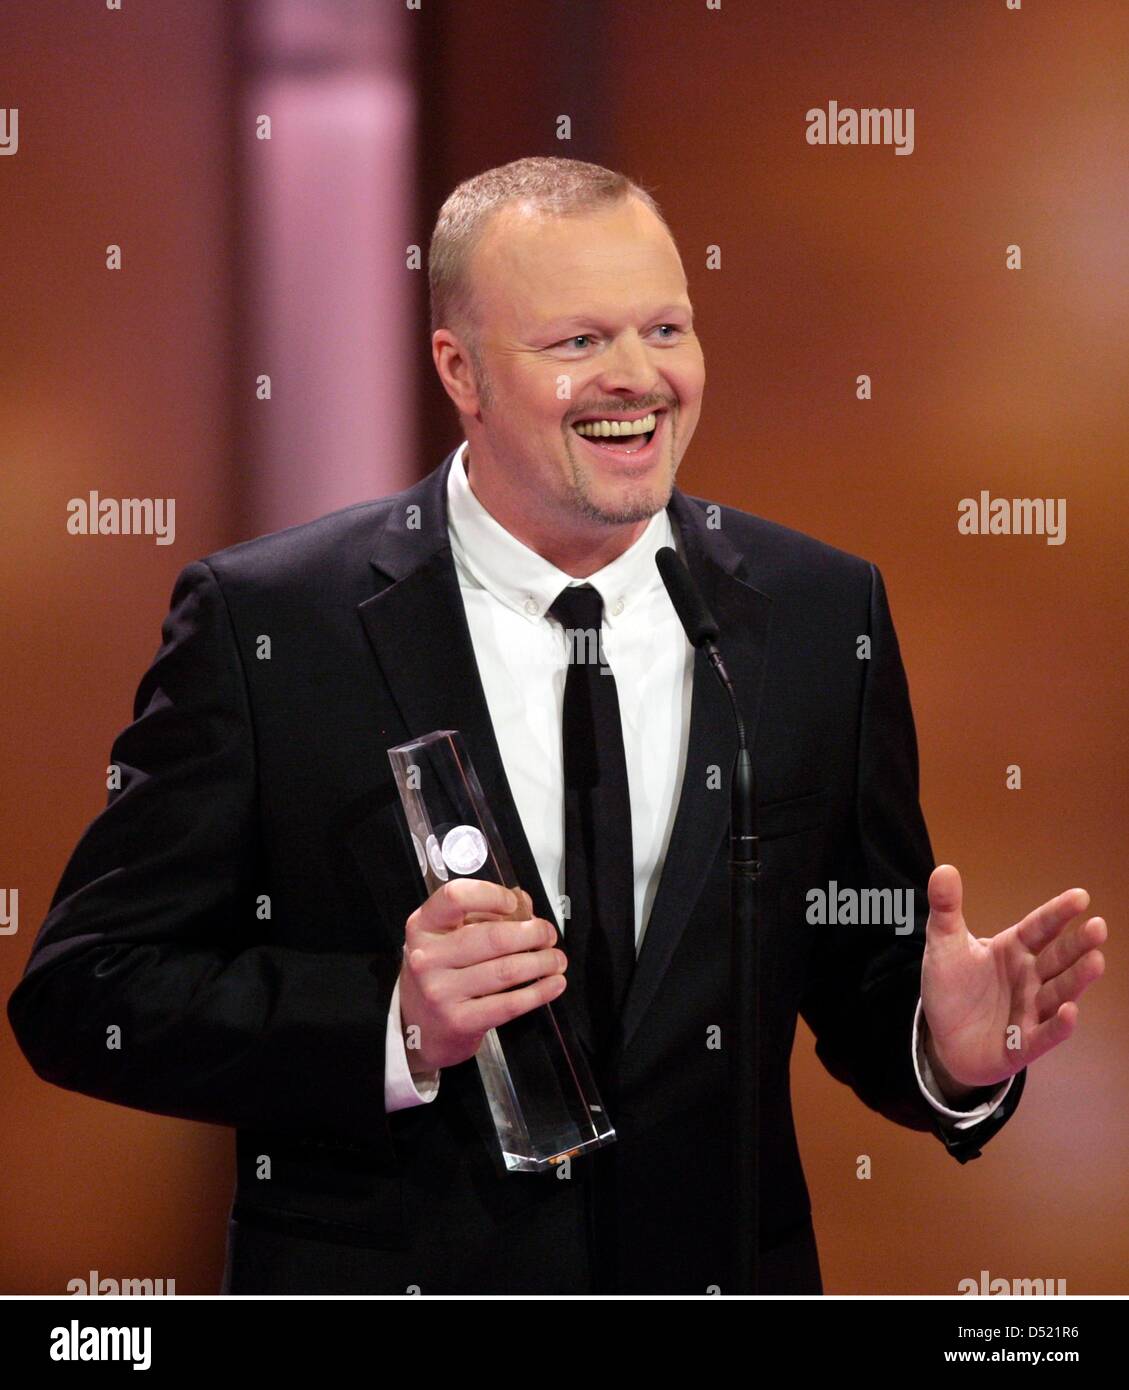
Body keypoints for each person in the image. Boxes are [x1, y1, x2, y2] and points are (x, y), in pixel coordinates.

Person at [8, 157, 1106, 1295]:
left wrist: (944, 1053)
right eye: (577, 342)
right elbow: (86, 992)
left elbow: (856, 972)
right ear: (462, 371)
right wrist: (392, 1022)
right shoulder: (273, 624)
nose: (638, 378)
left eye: (665, 328)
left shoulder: (823, 613)